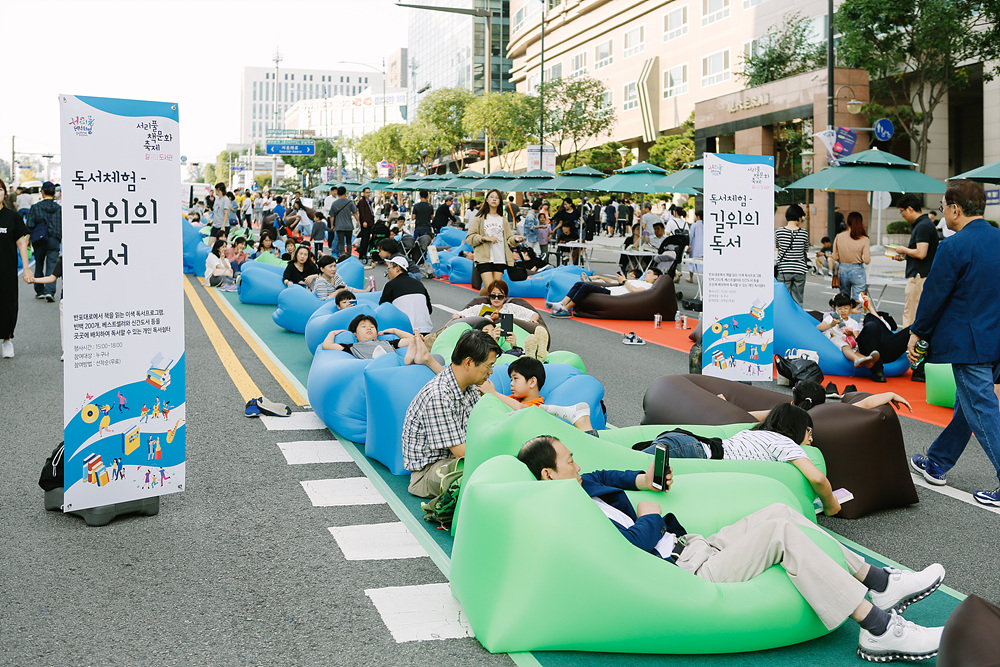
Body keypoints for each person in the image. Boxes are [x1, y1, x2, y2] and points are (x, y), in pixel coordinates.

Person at [517, 436, 947, 663]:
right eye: (569, 461)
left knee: (780, 508)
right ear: (549, 476)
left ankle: (881, 581)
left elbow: (617, 473)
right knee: (782, 534)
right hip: (681, 572)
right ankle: (877, 627)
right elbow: (624, 550)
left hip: (692, 545)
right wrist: (649, 514)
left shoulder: (584, 483)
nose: (577, 464)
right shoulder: (566, 515)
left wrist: (648, 480)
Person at [907, 180, 1000, 506]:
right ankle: (937, 461)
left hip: (969, 343)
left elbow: (934, 297)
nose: (943, 213)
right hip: (995, 337)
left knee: (982, 409)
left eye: (945, 206)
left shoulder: (954, 246)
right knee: (970, 406)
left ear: (956, 209)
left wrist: (918, 333)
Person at [641, 403, 842, 514]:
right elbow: (816, 478)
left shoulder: (753, 432)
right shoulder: (785, 443)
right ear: (799, 429)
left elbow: (751, 415)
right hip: (693, 451)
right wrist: (831, 504)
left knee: (636, 469)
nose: (812, 438)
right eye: (809, 431)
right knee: (633, 470)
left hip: (684, 442)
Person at [402, 329, 502, 497]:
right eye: (489, 365)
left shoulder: (467, 386)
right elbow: (462, 453)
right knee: (483, 475)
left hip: (453, 461)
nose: (491, 371)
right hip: (428, 473)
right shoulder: (439, 396)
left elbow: (482, 424)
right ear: (469, 363)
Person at [893, 194, 938, 327]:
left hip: (919, 275)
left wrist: (903, 250)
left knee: (911, 314)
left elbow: (921, 253)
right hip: (924, 274)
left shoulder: (923, 226)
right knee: (916, 312)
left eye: (902, 211)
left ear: (910, 209)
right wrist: (905, 256)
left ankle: (908, 345)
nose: (902, 215)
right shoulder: (925, 224)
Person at [0, 179, 32, 358]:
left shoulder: (13, 217)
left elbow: (21, 242)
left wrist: (26, 268)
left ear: (5, 192)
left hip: (6, 270)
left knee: (8, 305)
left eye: (0, 189)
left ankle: (7, 339)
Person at [467, 189, 524, 287]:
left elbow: (509, 238)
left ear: (500, 202)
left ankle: (481, 301)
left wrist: (516, 239)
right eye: (492, 197)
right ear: (486, 200)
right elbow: (470, 238)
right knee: (490, 286)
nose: (494, 199)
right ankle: (479, 302)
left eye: (497, 198)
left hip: (500, 257)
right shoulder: (479, 219)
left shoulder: (503, 219)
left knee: (495, 287)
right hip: (484, 258)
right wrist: (485, 238)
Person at [550, 267, 661, 318]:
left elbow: (634, 291)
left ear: (655, 277)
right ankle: (562, 303)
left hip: (615, 296)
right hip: (612, 290)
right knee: (579, 284)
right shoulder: (638, 281)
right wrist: (622, 280)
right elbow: (619, 283)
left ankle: (566, 309)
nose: (646, 274)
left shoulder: (649, 286)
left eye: (649, 273)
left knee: (586, 287)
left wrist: (625, 281)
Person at [320, 313, 430, 361]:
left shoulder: (387, 343)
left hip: (393, 364)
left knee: (417, 342)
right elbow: (327, 346)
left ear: (377, 333)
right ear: (355, 334)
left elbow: (413, 340)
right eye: (363, 327)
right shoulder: (351, 347)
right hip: (372, 366)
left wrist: (394, 330)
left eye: (372, 327)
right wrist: (333, 333)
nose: (368, 328)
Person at [816, 293, 879, 368]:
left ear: (851, 307)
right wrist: (831, 325)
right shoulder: (831, 317)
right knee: (845, 346)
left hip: (849, 342)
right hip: (835, 340)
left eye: (846, 308)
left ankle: (869, 361)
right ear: (835, 308)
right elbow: (818, 327)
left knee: (855, 350)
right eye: (839, 309)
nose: (843, 311)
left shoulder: (853, 322)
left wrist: (851, 333)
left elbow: (856, 336)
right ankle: (856, 359)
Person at [25, 181, 61, 302]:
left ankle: (39, 290)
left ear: (43, 192)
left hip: (39, 239)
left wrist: (28, 240)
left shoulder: (36, 207)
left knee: (39, 263)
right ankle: (49, 291)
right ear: (54, 193)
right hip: (54, 239)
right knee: (52, 263)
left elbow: (29, 224)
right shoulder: (59, 208)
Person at [379, 256, 433, 334]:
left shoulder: (390, 285)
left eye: (389, 268)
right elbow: (429, 310)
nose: (387, 272)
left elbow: (383, 310)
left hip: (405, 332)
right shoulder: (419, 284)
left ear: (397, 268)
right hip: (425, 330)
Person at [774, 204, 810, 306]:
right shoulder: (804, 233)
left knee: (782, 299)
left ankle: (783, 320)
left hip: (784, 269)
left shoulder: (779, 232)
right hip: (799, 269)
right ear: (799, 217)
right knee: (798, 300)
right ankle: (797, 320)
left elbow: (779, 249)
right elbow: (805, 250)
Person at [328, 186, 359, 257]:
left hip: (339, 226)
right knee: (348, 242)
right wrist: (359, 222)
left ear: (337, 193)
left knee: (341, 242)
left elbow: (331, 216)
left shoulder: (334, 203)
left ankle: (342, 256)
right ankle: (349, 256)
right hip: (349, 226)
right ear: (345, 193)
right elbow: (355, 213)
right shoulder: (350, 202)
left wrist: (332, 225)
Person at [357, 187, 376, 264]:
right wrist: (363, 221)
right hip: (366, 223)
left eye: (369, 192)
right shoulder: (362, 202)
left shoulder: (369, 201)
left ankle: (365, 252)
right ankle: (362, 254)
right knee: (364, 238)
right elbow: (362, 212)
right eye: (367, 192)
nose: (368, 194)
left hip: (370, 222)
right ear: (363, 193)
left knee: (368, 238)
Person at [686, 209, 704, 282]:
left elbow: (691, 236)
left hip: (695, 246)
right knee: (703, 262)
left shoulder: (695, 225)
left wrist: (688, 246)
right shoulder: (706, 225)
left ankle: (691, 278)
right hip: (703, 247)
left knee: (692, 261)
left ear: (698, 217)